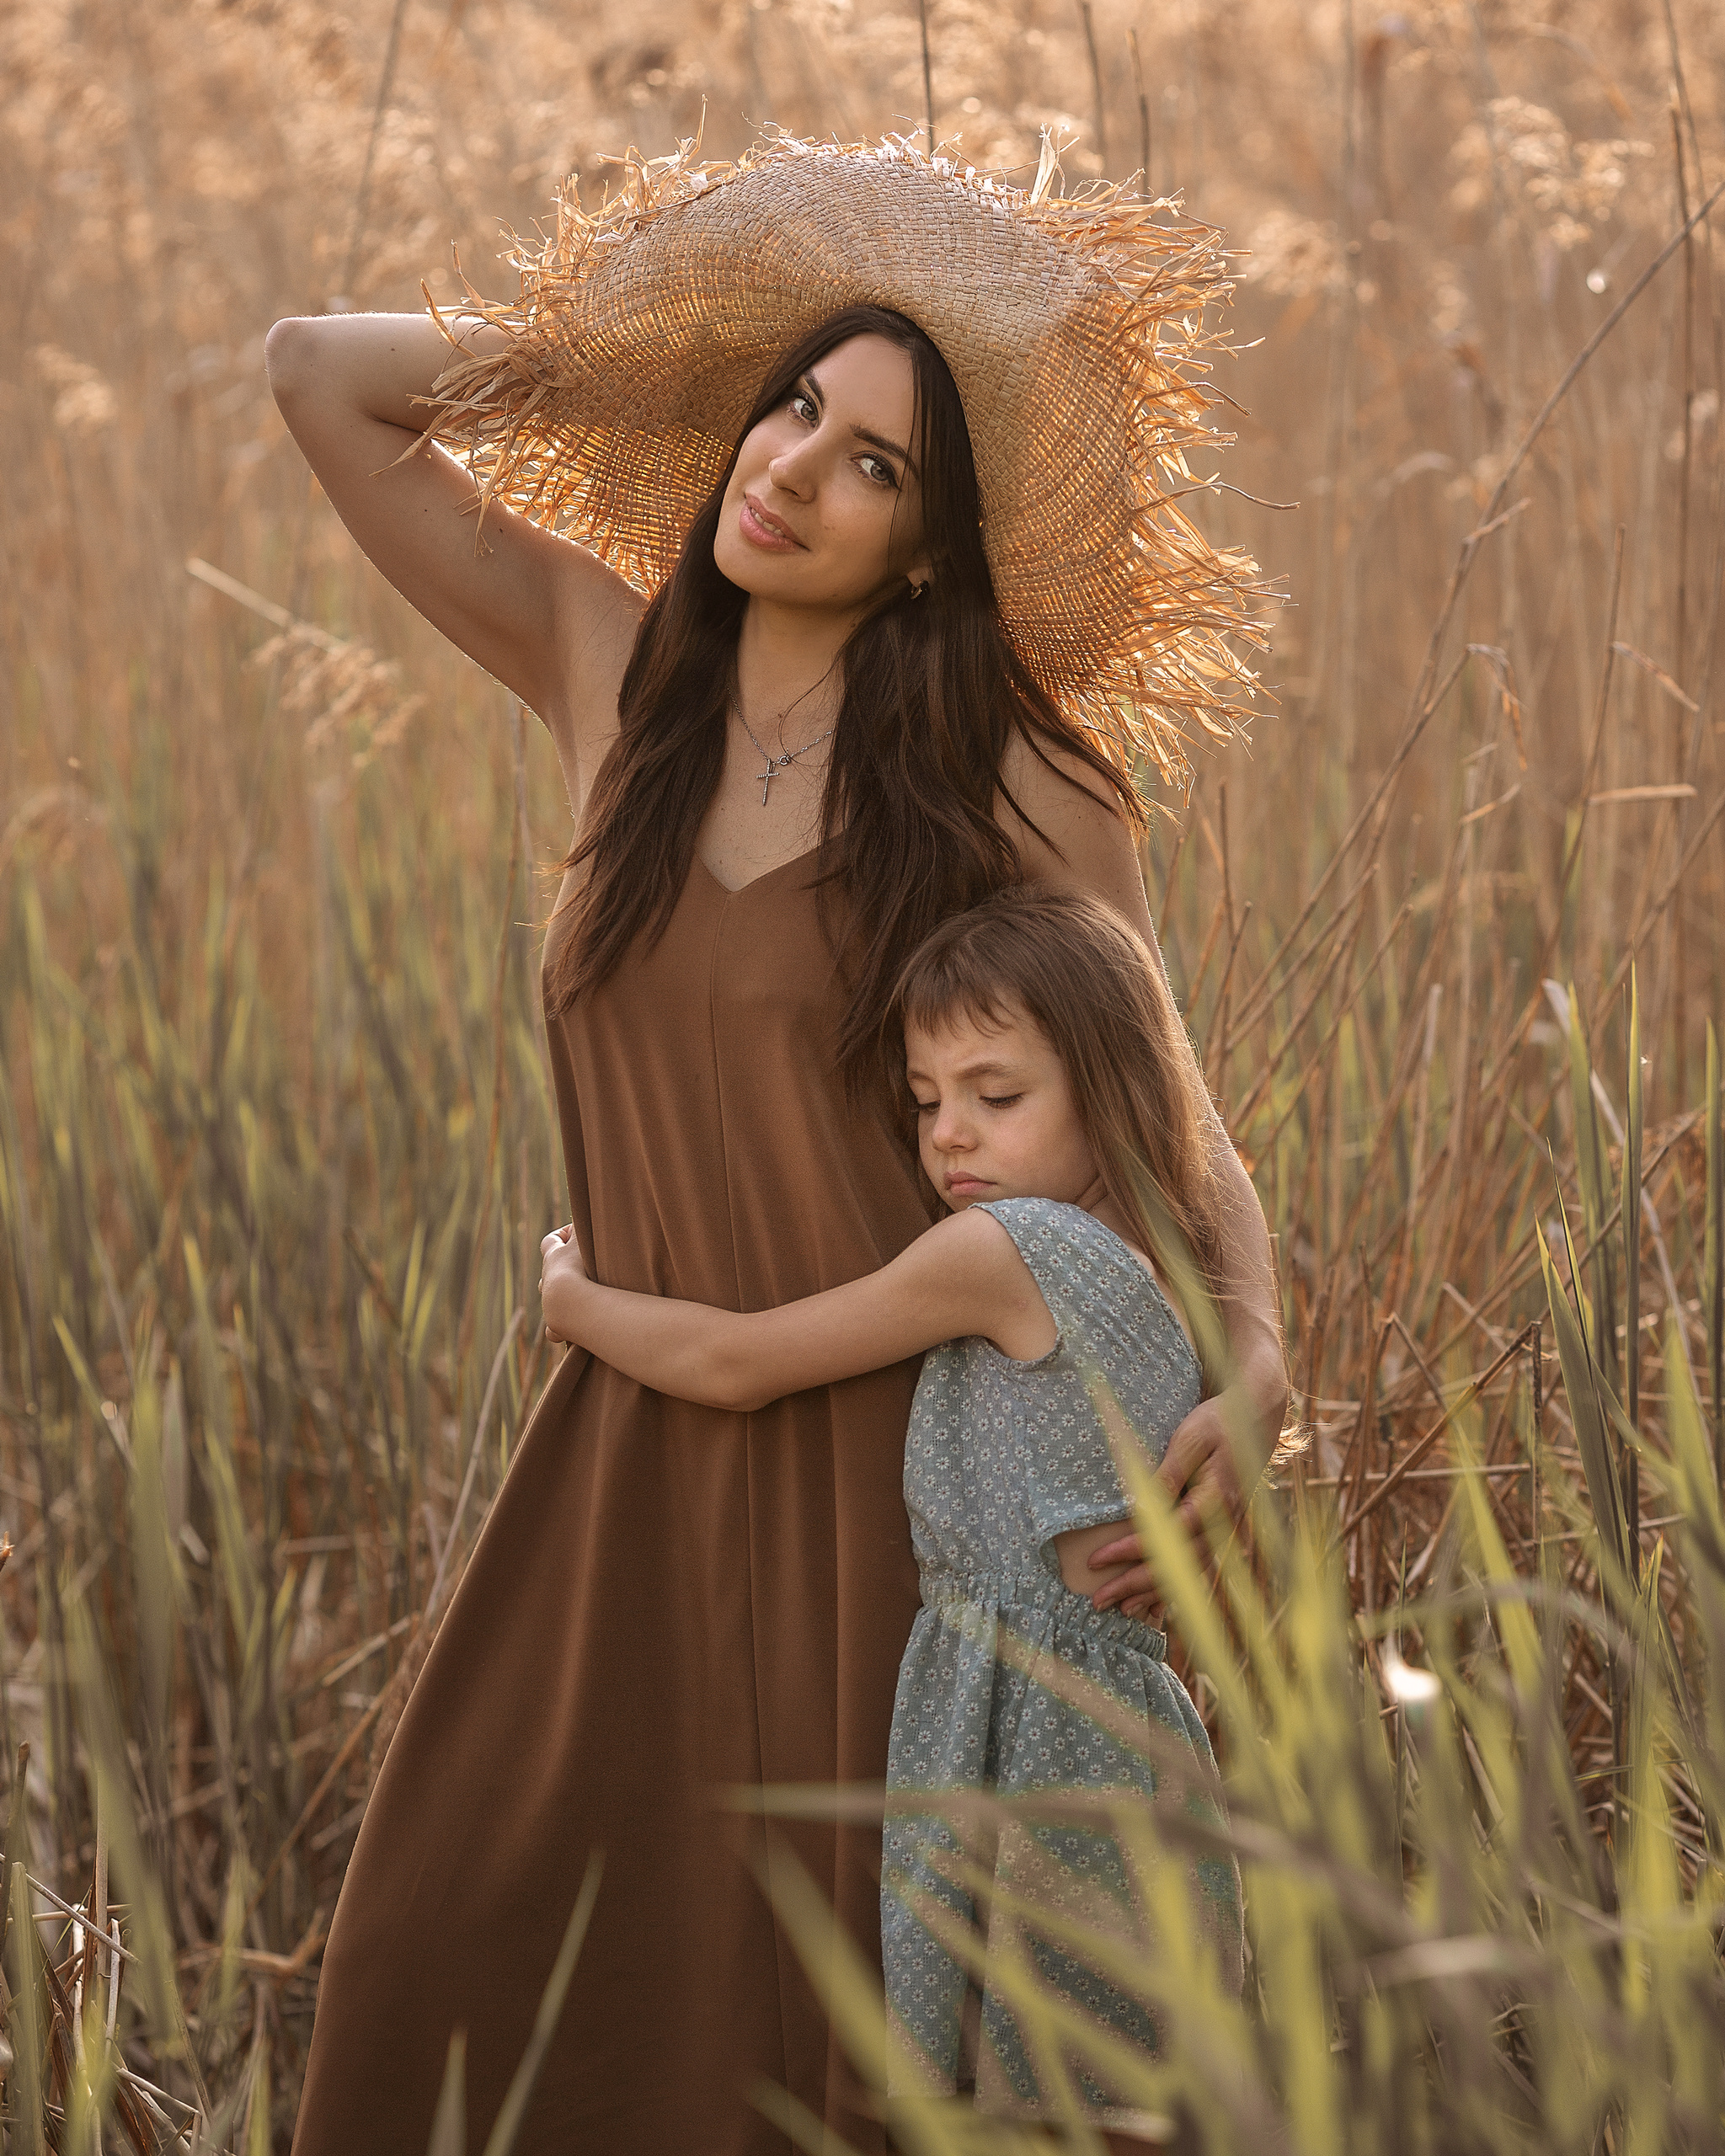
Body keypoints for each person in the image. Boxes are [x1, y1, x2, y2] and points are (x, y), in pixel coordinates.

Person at [267, 132, 1285, 2154]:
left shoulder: (1018, 779)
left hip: (895, 1484)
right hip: (622, 1437)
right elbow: (318, 366)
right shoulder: (605, 669)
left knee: (820, 2042)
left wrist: (1260, 1356)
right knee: (447, 1968)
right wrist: (638, 353)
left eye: (875, 464)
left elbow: (1173, 1119)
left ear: (929, 548)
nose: (797, 468)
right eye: (792, 407)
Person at [539, 885, 1246, 2139]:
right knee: (1101, 2096)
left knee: (1005, 2103)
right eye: (926, 1103)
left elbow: (739, 1364)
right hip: (1133, 1732)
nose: (949, 1139)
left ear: (1110, 1080)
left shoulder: (1004, 1252)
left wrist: (574, 1302)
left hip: (1023, 1739)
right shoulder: (1160, 1257)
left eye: (997, 1095)